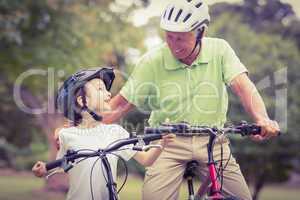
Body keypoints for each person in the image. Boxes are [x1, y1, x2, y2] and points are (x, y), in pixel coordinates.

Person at [101, 1, 280, 200]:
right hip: (167, 142)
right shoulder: (152, 60)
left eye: (181, 38)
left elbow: (244, 87)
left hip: (213, 140)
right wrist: (76, 127)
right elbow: (119, 106)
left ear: (200, 33)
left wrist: (262, 118)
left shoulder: (220, 50)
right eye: (169, 37)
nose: (174, 45)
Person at [32, 67, 175, 200]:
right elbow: (62, 165)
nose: (108, 93)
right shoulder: (66, 135)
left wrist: (162, 142)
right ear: (83, 101)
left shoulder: (115, 132)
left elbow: (146, 160)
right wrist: (44, 169)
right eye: (100, 89)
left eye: (107, 89)